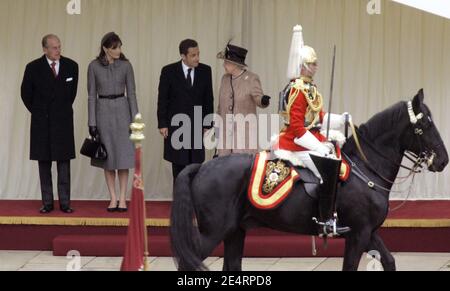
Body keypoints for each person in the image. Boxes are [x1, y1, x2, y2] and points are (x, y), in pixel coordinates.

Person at [275, 25, 351, 236]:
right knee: (328, 167)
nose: (316, 66)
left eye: (315, 63)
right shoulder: (298, 90)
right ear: (303, 66)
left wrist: (342, 119)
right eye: (312, 64)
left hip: (308, 137)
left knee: (335, 155)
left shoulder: (309, 88)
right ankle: (325, 220)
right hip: (296, 142)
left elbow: (320, 118)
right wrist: (319, 147)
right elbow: (298, 128)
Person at [21, 34, 79, 214]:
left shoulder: (72, 66)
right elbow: (25, 94)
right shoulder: (32, 68)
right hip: (42, 122)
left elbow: (72, 95)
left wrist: (59, 110)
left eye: (59, 47)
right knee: (44, 163)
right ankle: (47, 202)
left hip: (62, 121)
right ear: (45, 49)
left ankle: (65, 203)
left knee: (64, 163)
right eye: (54, 47)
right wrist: (39, 112)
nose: (58, 50)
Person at [87, 32, 139, 212]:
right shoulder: (93, 66)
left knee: (123, 158)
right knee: (107, 158)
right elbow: (91, 96)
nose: (119, 50)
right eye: (115, 47)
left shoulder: (126, 66)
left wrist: (135, 120)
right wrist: (91, 122)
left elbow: (132, 94)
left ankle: (123, 198)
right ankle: (113, 198)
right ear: (105, 49)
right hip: (103, 113)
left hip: (123, 112)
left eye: (119, 46)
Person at [157, 39, 214, 181]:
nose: (197, 58)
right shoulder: (168, 71)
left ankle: (193, 200)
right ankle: (180, 201)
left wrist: (208, 124)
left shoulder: (205, 70)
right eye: (193, 55)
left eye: (198, 54)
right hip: (176, 125)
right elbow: (163, 99)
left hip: (197, 125)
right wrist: (162, 123)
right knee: (178, 164)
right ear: (183, 56)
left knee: (195, 165)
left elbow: (209, 99)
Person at [216, 43, 271, 156]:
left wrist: (263, 100)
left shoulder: (251, 78)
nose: (223, 65)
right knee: (225, 170)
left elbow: (258, 97)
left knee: (242, 169)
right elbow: (221, 105)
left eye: (226, 62)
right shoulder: (224, 79)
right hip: (225, 136)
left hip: (244, 135)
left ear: (235, 64)